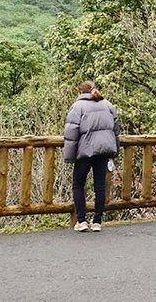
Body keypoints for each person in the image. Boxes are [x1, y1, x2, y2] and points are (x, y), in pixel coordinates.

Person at [63, 81, 119, 232]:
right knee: (100, 185)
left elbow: (71, 134)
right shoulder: (108, 105)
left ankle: (81, 220)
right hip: (104, 150)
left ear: (80, 92)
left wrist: (69, 156)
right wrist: (115, 151)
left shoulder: (78, 106)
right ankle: (97, 222)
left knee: (78, 184)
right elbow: (116, 130)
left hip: (85, 151)